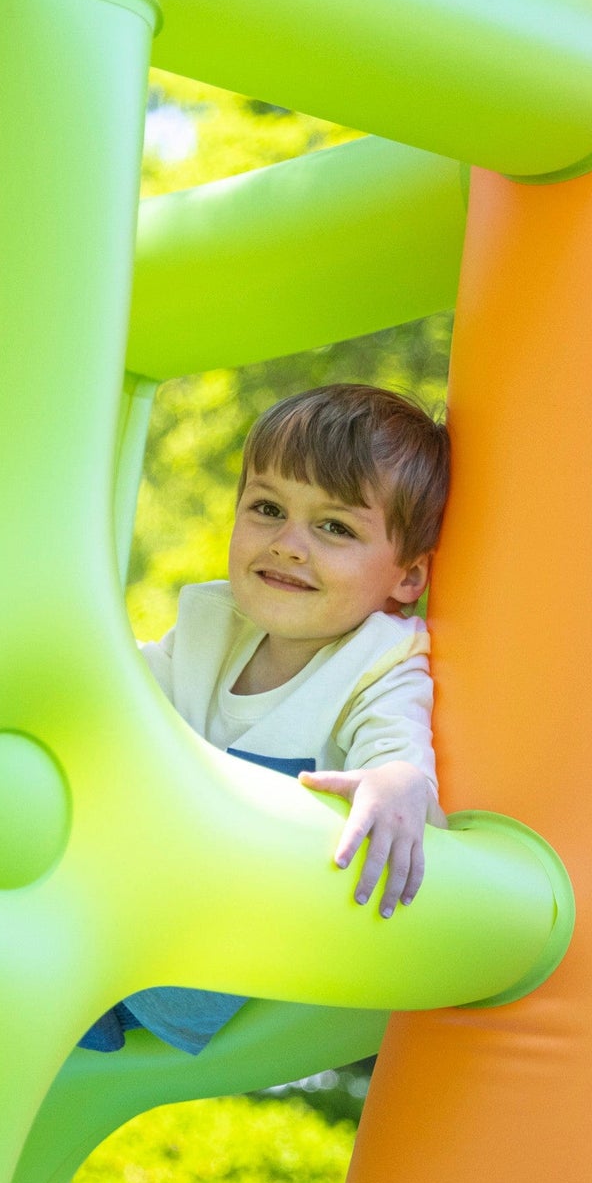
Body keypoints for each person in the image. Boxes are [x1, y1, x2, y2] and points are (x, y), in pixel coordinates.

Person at [79, 382, 450, 1056]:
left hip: (205, 958)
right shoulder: (212, 627)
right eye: (266, 508)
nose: (286, 544)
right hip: (115, 902)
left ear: (406, 579)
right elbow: (119, 691)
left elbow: (398, 751)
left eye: (334, 526)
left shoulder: (379, 661)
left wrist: (395, 781)